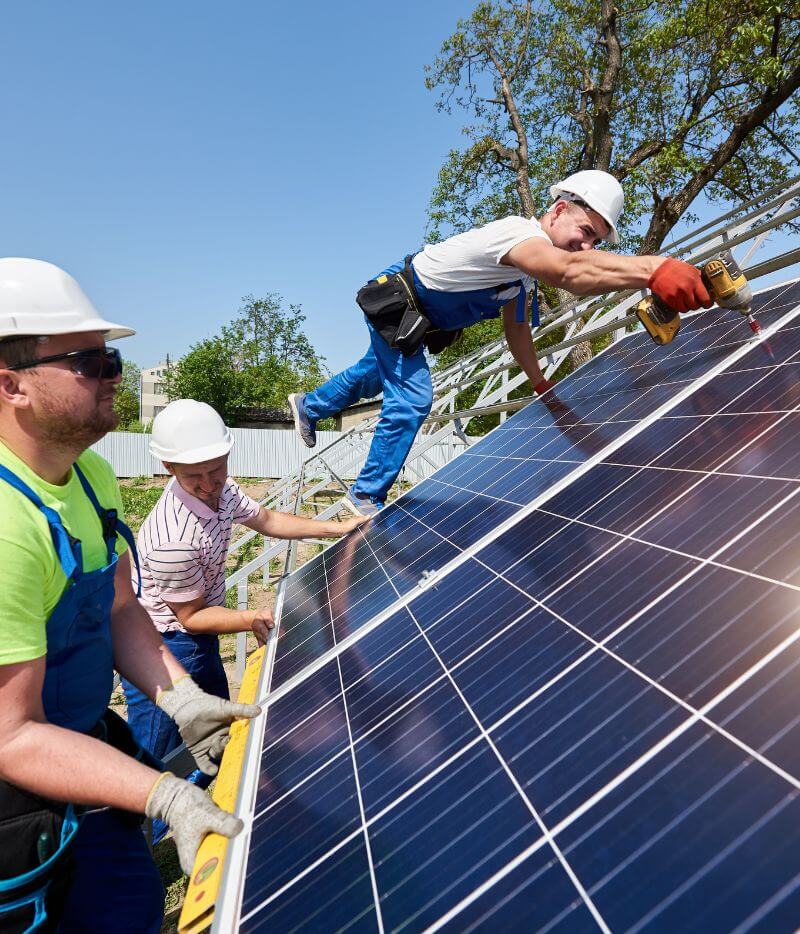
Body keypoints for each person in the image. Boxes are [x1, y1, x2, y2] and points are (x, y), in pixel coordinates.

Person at [0, 258, 259, 933]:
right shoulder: (5, 525)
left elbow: (119, 609)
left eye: (112, 357)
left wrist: (182, 698)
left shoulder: (91, 477)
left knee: (133, 910)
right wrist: (165, 792)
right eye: (90, 361)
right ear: (11, 384)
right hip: (16, 800)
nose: (115, 373)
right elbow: (12, 735)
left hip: (86, 759)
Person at [289, 170, 711, 515]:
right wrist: (654, 269)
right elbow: (570, 273)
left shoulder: (523, 279)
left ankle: (309, 406)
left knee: (372, 375)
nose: (586, 245)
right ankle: (365, 497)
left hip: (416, 320)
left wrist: (540, 383)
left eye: (596, 241)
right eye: (585, 231)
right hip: (399, 301)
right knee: (414, 399)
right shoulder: (518, 237)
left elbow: (518, 332)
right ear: (559, 210)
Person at [123, 399, 367, 840]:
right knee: (158, 754)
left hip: (196, 635)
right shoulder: (171, 537)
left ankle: (199, 805)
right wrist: (249, 616)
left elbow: (268, 519)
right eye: (194, 474)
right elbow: (193, 617)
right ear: (168, 466)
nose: (209, 483)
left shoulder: (223, 489)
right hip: (162, 645)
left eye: (216, 468)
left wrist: (333, 529)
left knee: (215, 730)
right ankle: (144, 838)